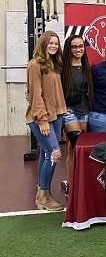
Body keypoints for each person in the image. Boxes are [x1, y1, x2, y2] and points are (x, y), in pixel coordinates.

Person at [26, 31, 67, 211]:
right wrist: (42, 121)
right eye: (50, 43)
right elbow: (35, 95)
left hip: (57, 115)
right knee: (54, 153)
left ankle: (42, 194)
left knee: (46, 153)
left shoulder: (54, 64)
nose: (53, 46)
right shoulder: (35, 64)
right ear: (43, 44)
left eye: (56, 43)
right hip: (42, 117)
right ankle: (45, 195)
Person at [61, 35, 93, 196]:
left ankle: (75, 182)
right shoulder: (62, 67)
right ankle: (73, 185)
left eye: (81, 46)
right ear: (69, 48)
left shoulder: (86, 66)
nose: (78, 49)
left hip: (84, 110)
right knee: (77, 145)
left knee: (73, 149)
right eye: (75, 47)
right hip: (68, 110)